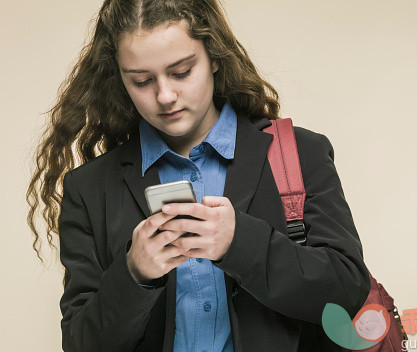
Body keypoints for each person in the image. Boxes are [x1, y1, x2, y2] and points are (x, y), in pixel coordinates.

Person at [26, 0, 370, 351]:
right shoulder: (89, 188)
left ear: (214, 58)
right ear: (121, 80)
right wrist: (134, 273)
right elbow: (81, 344)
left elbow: (347, 294)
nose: (165, 96)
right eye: (142, 81)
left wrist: (240, 243)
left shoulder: (298, 152)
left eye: (181, 72)